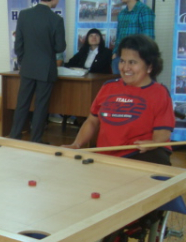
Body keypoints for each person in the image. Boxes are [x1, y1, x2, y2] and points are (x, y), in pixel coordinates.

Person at [64, 35, 175, 166]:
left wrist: (154, 143)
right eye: (122, 61)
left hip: (140, 153)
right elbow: (92, 121)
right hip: (106, 155)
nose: (125, 68)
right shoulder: (108, 87)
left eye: (132, 62)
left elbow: (163, 130)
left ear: (149, 66)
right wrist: (76, 144)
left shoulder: (159, 92)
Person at [9, 0, 66, 143]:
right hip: (46, 69)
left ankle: (15, 136)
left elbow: (18, 44)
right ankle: (36, 140)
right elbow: (60, 47)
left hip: (27, 67)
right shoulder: (56, 20)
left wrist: (23, 61)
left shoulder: (24, 15)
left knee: (22, 103)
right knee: (41, 105)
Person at [111, 0, 155, 74]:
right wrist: (115, 53)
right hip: (120, 58)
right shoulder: (122, 13)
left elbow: (148, 38)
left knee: (134, 83)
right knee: (119, 83)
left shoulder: (144, 11)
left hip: (136, 59)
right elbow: (118, 36)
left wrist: (142, 58)